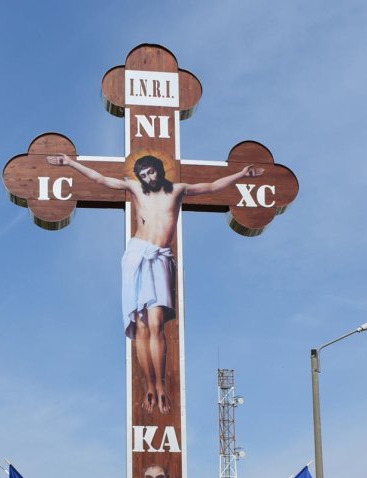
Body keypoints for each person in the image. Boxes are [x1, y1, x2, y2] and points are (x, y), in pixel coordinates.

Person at [47, 152, 264, 414]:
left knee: (156, 324)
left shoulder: (178, 190)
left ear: (159, 170)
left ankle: (160, 385)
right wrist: (70, 163)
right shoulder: (135, 188)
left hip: (160, 257)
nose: (148, 178)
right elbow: (102, 180)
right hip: (137, 254)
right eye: (143, 174)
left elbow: (212, 186)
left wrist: (241, 175)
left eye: (151, 172)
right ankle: (149, 386)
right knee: (140, 326)